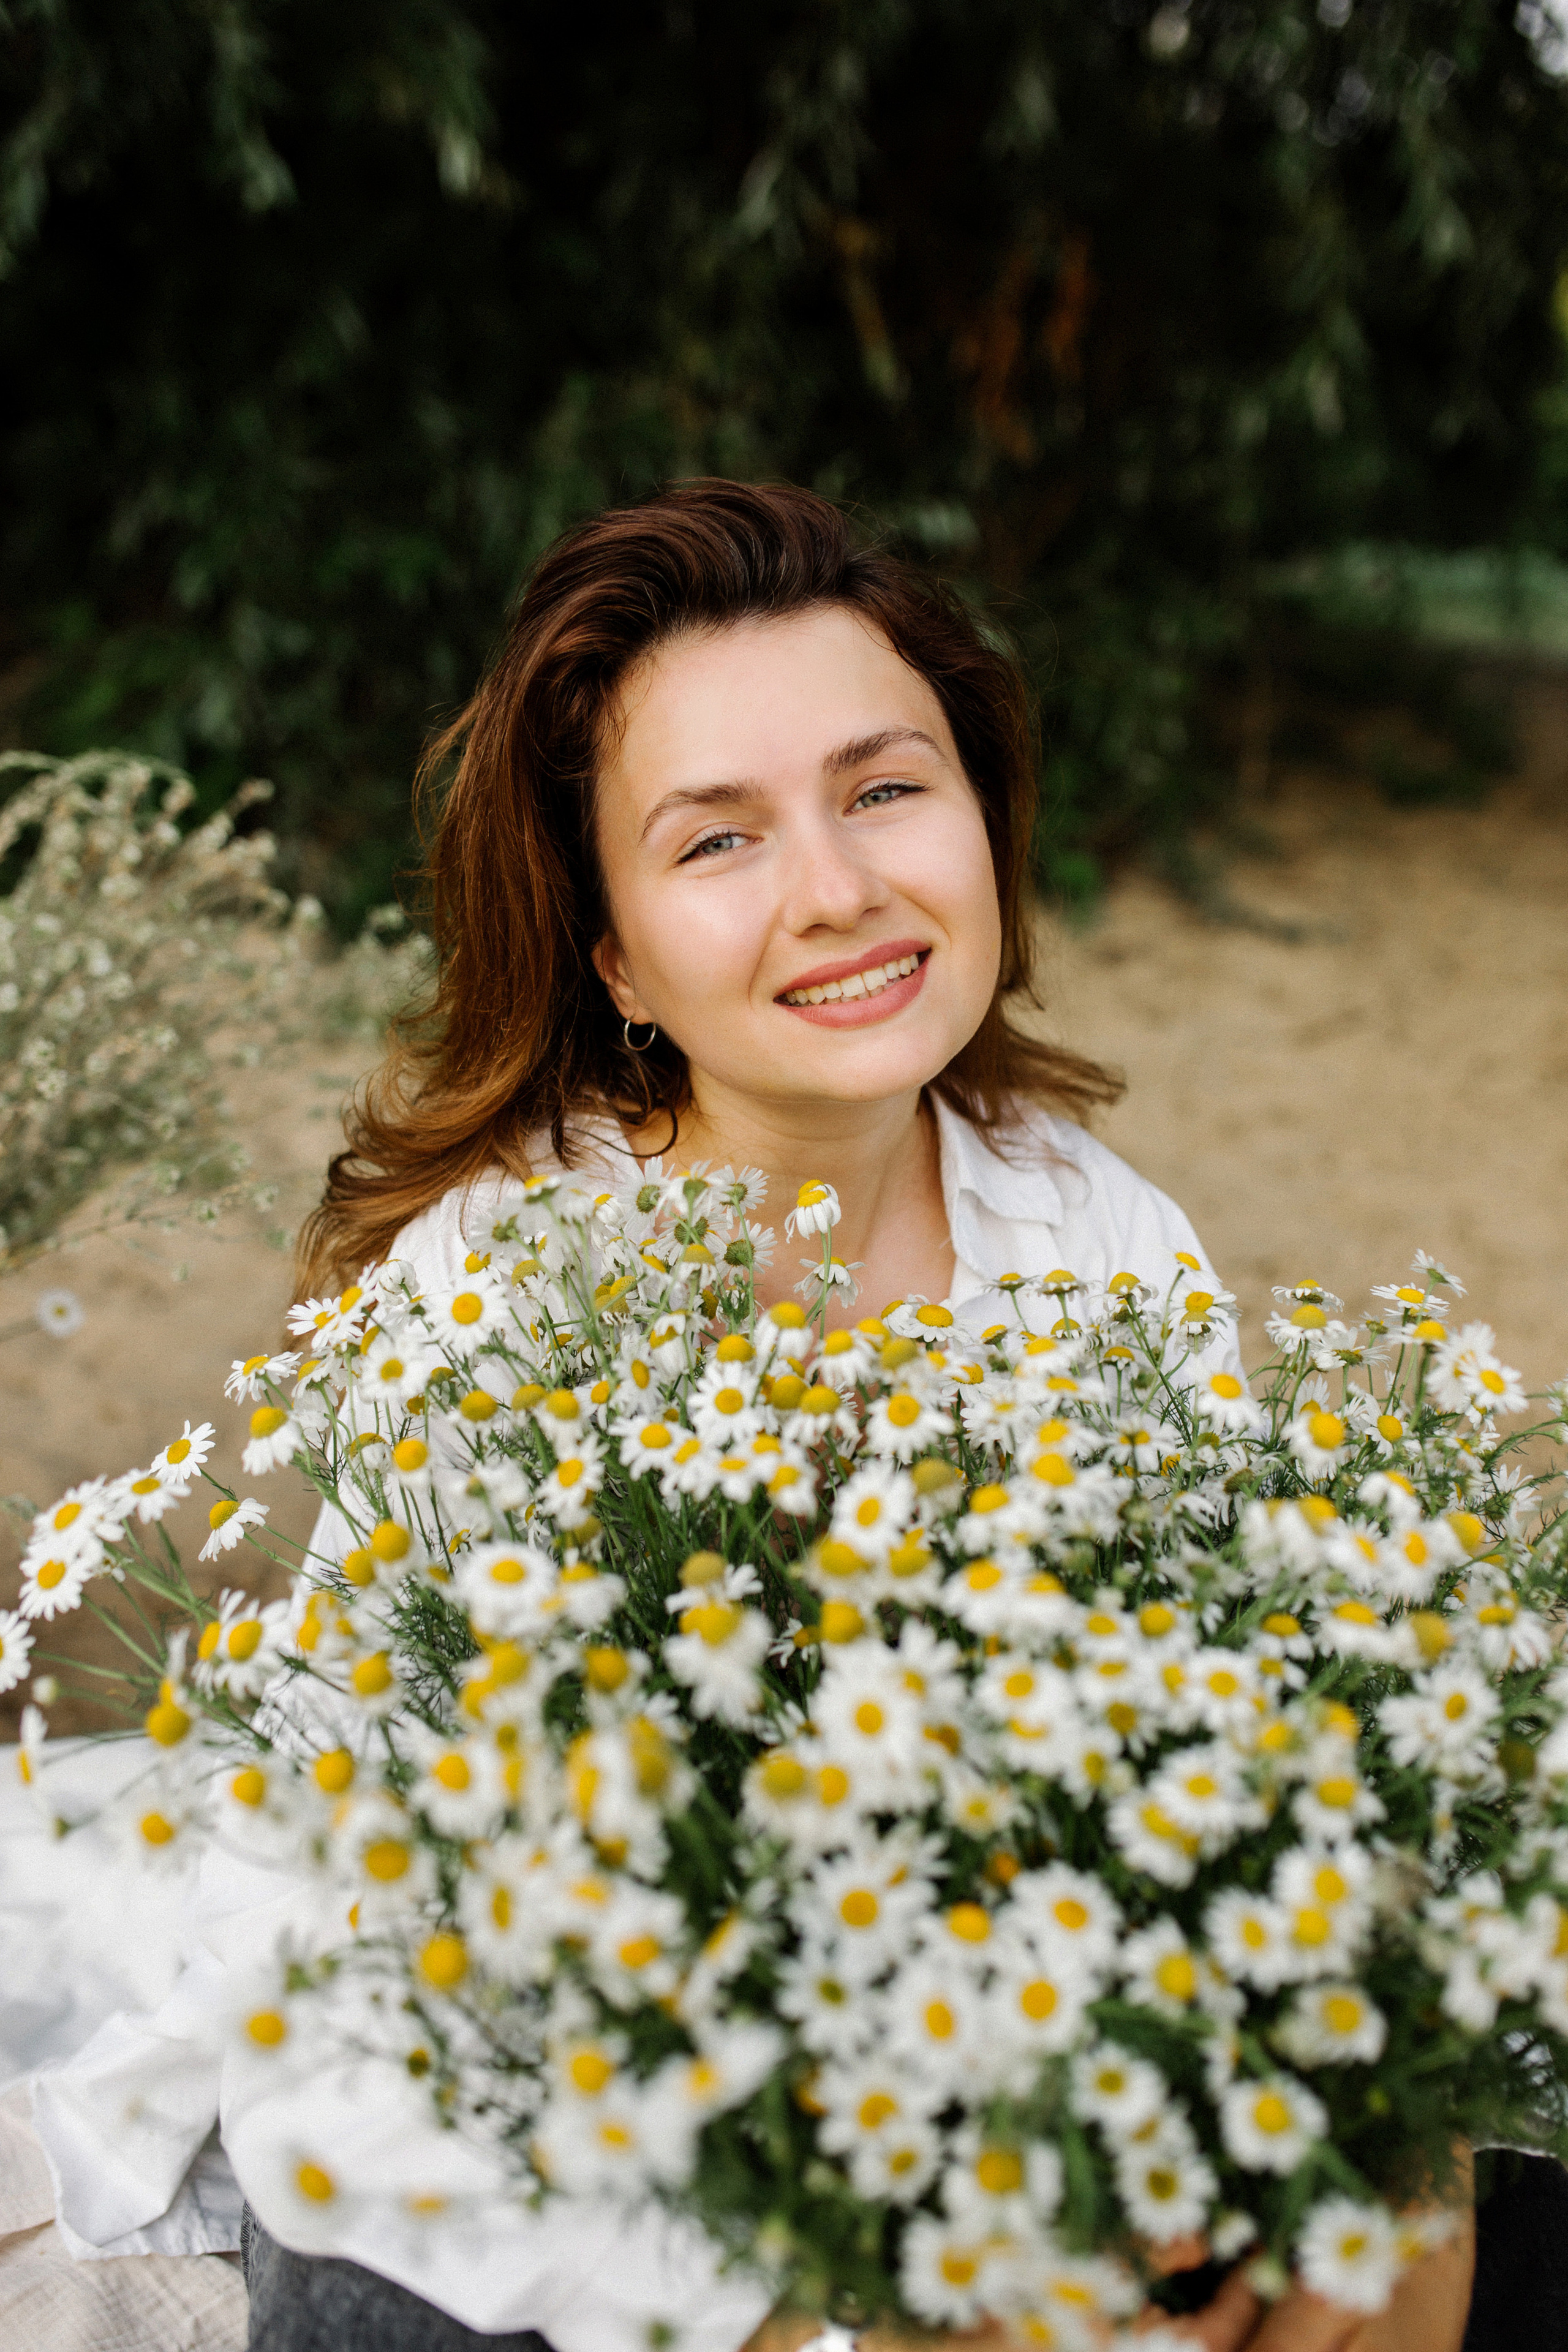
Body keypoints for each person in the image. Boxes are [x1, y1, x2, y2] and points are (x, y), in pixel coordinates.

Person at [34, 480, 1478, 2350]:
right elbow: (452, 1985)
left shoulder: (1092, 1230)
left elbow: (1222, 1754)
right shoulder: (507, 1297)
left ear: (984, 819)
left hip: (956, 2025)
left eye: (888, 789)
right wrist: (854, 2307)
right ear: (618, 956)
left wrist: (1355, 2144)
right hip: (556, 2078)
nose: (841, 889)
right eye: (718, 841)